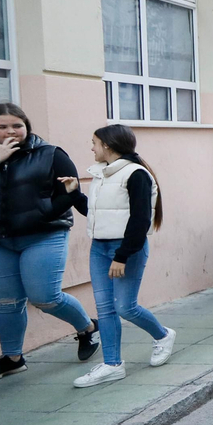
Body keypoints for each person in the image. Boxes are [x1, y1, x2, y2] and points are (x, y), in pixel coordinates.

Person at [0, 103, 100, 381]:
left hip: (44, 236)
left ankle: (87, 328)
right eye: (3, 126)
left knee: (45, 297)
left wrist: (40, 215)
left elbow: (69, 194)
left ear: (26, 126)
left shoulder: (50, 154)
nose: (11, 131)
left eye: (17, 126)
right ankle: (12, 358)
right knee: (7, 302)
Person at [68, 125, 176, 388]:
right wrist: (74, 193)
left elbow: (140, 220)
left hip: (127, 248)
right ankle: (112, 364)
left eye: (94, 143)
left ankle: (162, 336)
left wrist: (122, 255)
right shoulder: (102, 175)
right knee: (105, 309)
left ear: (108, 145)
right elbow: (97, 214)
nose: (91, 148)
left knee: (125, 307)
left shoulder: (136, 174)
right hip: (99, 248)